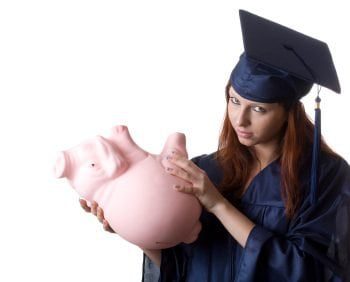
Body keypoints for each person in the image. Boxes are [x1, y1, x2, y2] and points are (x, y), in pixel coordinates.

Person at [80, 10, 350, 282]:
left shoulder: (324, 177)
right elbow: (179, 267)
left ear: (288, 112)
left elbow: (310, 272)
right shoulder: (206, 169)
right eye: (234, 101)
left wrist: (218, 204)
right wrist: (135, 227)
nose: (240, 120)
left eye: (258, 108)